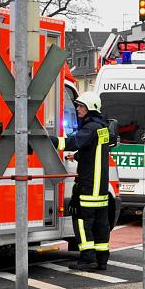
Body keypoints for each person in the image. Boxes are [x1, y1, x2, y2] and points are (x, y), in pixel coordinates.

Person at [52, 91, 111, 270]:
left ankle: (87, 258)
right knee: (101, 224)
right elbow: (93, 150)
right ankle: (101, 260)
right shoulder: (102, 128)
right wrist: (77, 156)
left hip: (88, 185)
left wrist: (51, 140)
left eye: (81, 106)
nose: (78, 109)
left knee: (82, 221)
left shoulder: (90, 127)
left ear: (90, 108)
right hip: (101, 187)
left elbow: (74, 141)